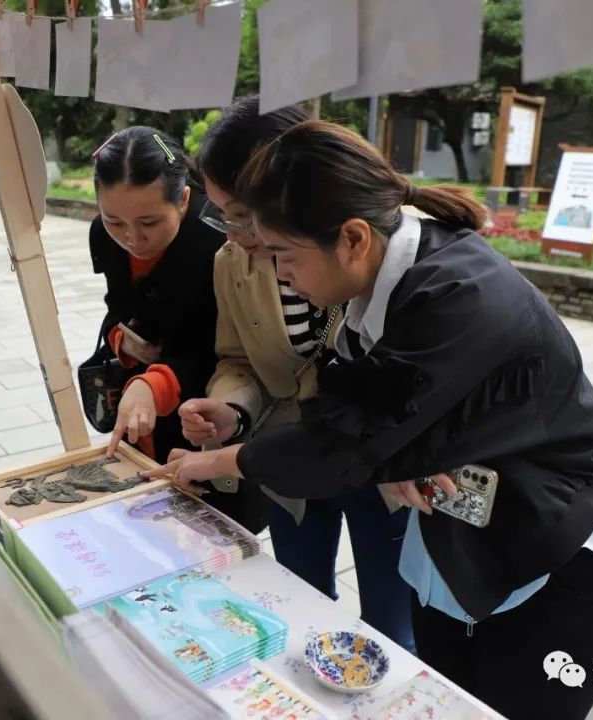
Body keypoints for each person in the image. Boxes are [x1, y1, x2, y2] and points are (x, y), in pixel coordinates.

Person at [147, 121, 593, 720]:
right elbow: (361, 414)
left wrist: (216, 461)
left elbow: (342, 442)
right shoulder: (390, 282)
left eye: (284, 255)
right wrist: (396, 455)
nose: (279, 273)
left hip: (552, 556)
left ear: (353, 238)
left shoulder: (460, 294)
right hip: (458, 543)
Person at [178, 97, 414, 651]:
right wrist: (231, 410)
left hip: (381, 460)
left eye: (241, 213)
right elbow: (237, 357)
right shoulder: (231, 262)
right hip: (288, 452)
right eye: (219, 214)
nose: (231, 231)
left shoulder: (375, 253)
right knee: (299, 599)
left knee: (392, 620)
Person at [89, 126, 264, 533]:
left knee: (209, 524)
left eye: (149, 221)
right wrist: (123, 341)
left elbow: (224, 347)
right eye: (114, 220)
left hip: (208, 402)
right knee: (143, 517)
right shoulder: (103, 235)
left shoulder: (218, 241)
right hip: (141, 393)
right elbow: (117, 307)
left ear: (184, 200)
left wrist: (157, 381)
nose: (132, 238)